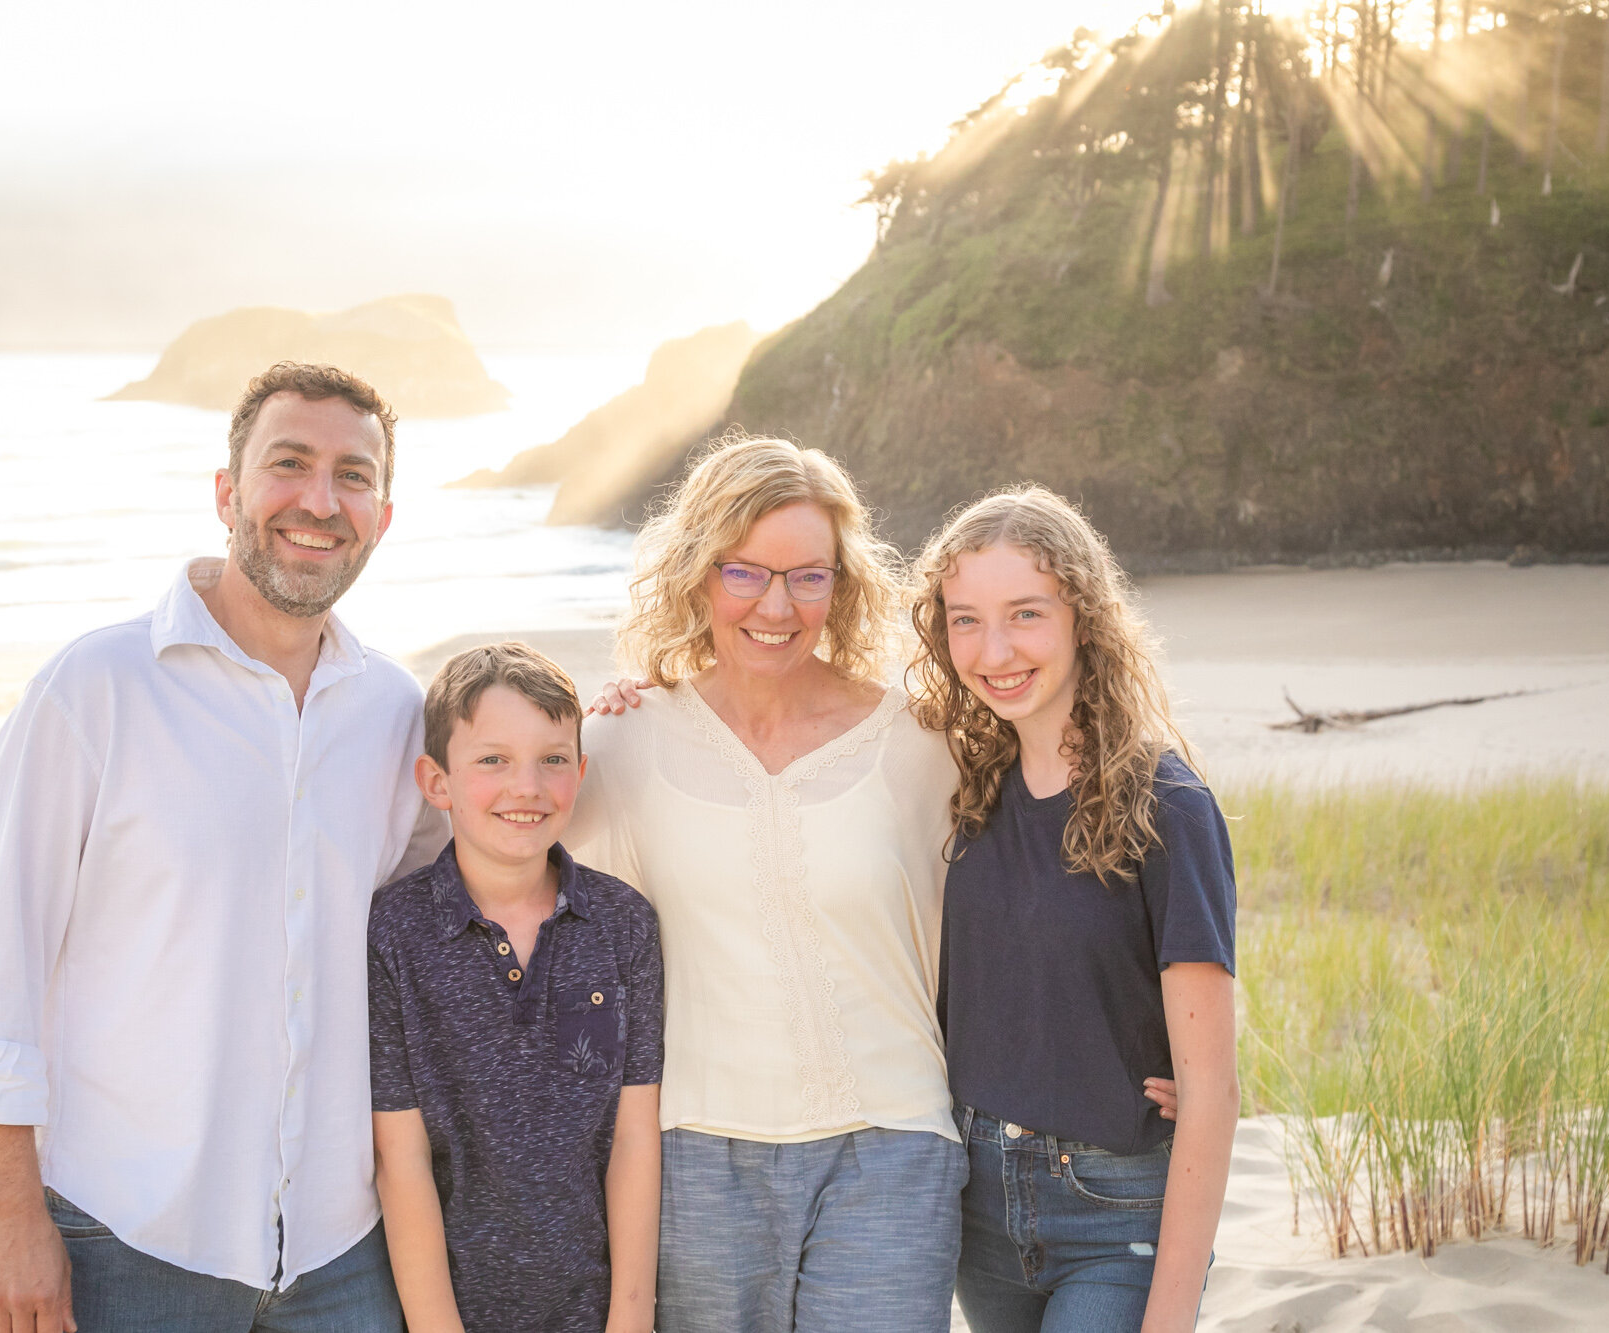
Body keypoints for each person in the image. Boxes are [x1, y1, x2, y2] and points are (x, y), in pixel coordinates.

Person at [0, 362, 447, 1333]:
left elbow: (478, 879)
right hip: (128, 1236)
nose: (318, 500)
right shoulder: (96, 689)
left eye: (352, 475)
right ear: (227, 494)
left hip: (343, 1246)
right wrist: (9, 1220)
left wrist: (628, 721)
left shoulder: (396, 715)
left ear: (380, 514)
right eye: (287, 463)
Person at [564, 435, 964, 1333]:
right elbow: (511, 870)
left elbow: (1027, 897)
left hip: (893, 1145)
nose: (777, 606)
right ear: (698, 573)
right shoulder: (628, 742)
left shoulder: (922, 741)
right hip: (696, 1156)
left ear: (842, 582)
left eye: (808, 577)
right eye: (745, 573)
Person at [908, 486, 1239, 1333]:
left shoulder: (1168, 804)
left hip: (1115, 1204)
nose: (995, 650)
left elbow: (1209, 1087)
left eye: (1025, 613)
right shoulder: (962, 788)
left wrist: (1169, 1316)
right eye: (965, 620)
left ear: (1083, 617)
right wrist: (652, 697)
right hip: (979, 1204)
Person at [368, 642, 663, 1333]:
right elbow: (400, 1155)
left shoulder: (622, 924)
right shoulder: (394, 932)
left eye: (553, 759)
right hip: (449, 1309)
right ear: (436, 781)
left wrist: (631, 1317)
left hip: (597, 1308)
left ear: (582, 771)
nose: (526, 786)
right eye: (492, 759)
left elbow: (633, 1137)